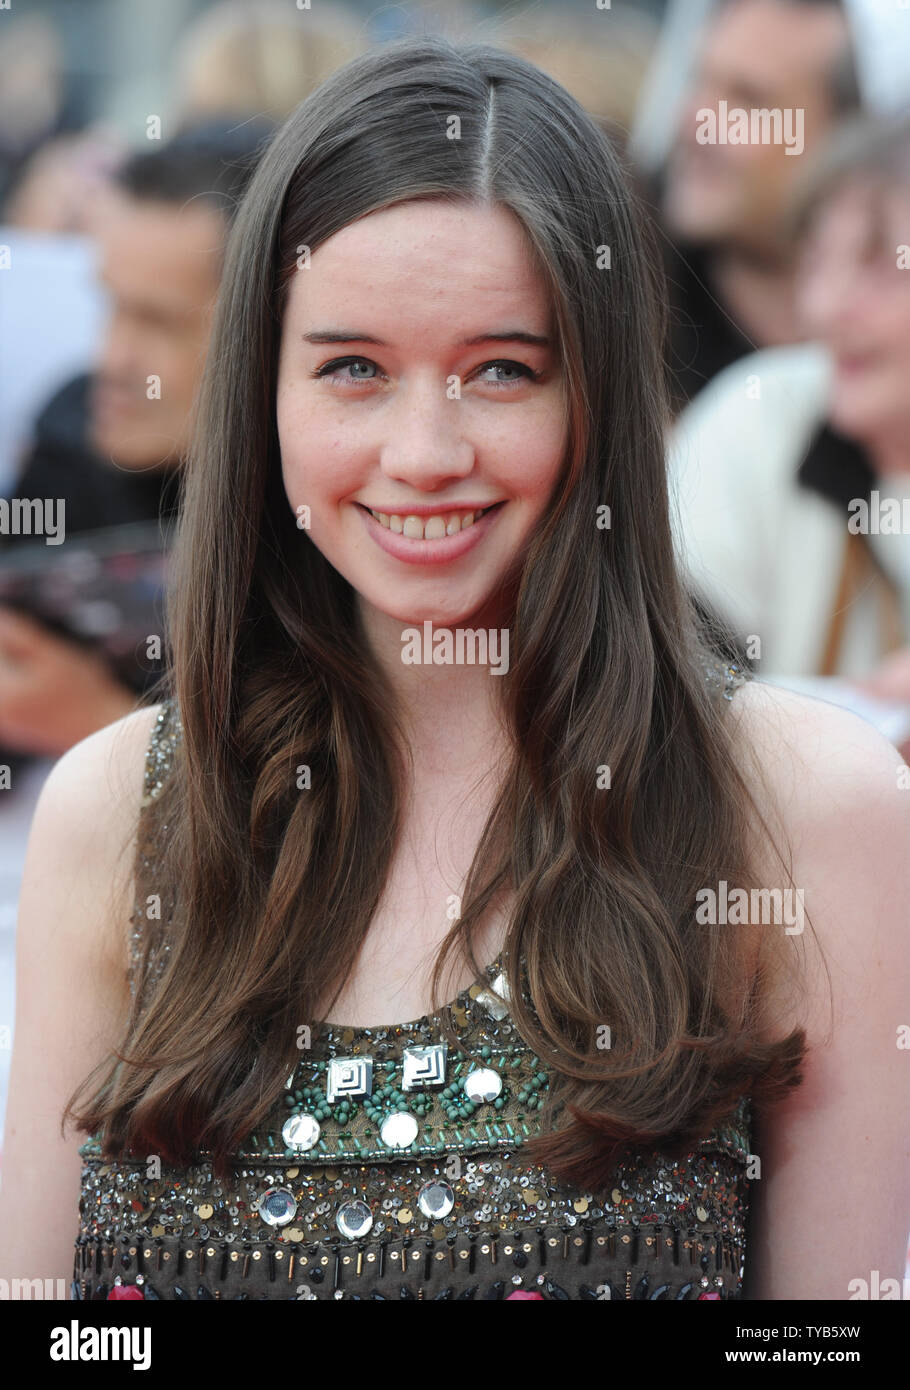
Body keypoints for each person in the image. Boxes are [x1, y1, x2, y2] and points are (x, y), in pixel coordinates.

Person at [0, 36, 907, 1304]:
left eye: (500, 370)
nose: (424, 452)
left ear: (595, 389)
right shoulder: (119, 814)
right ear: (261, 390)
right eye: (353, 369)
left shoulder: (809, 808)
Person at [0, 121, 271, 760]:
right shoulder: (73, 429)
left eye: (159, 322)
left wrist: (99, 725)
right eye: (110, 307)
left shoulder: (327, 520)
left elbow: (304, 815)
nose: (112, 358)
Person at [668, 108, 910, 693]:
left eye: (879, 268)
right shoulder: (754, 423)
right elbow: (673, 695)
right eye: (818, 262)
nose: (826, 306)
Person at [654, 0, 861, 411]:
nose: (695, 121)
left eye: (748, 100)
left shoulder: (884, 356)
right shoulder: (614, 289)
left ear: (848, 137)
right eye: (699, 81)